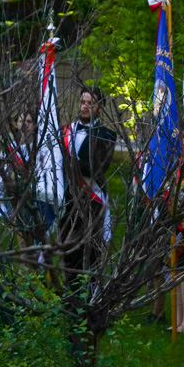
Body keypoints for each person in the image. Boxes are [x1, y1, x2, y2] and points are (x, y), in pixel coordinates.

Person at [60, 86, 116, 289]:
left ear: (99, 108)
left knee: (91, 252)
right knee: (67, 251)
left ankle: (91, 301)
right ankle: (70, 298)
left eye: (90, 103)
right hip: (67, 199)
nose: (84, 107)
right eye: (82, 102)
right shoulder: (65, 130)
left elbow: (96, 168)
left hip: (92, 200)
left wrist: (68, 161)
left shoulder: (107, 135)